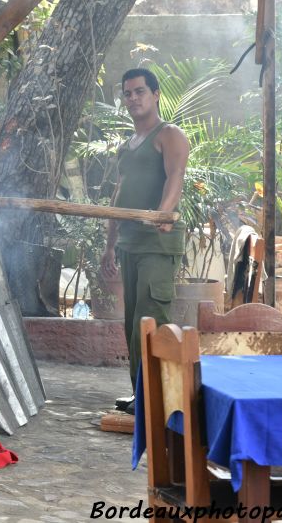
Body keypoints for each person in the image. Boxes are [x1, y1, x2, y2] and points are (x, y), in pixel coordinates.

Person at [100, 68, 189, 415]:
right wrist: (109, 245)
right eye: (128, 93)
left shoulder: (169, 135)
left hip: (157, 244)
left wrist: (163, 215)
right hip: (129, 243)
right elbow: (118, 197)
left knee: (149, 323)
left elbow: (175, 176)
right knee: (132, 324)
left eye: (140, 91)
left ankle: (158, 400)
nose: (134, 98)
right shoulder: (128, 146)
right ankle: (142, 396)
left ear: (155, 94)